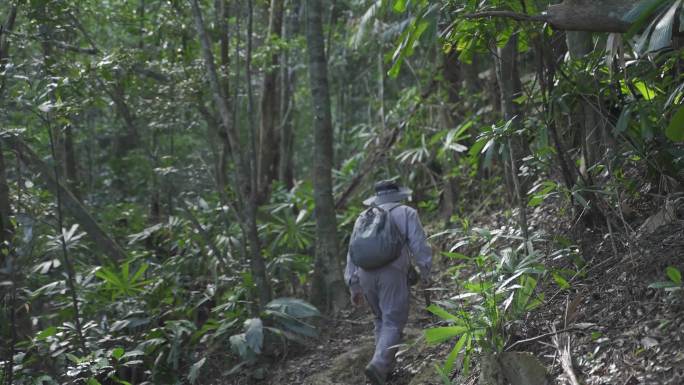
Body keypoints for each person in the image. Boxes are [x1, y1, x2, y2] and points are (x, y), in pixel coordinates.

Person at [344, 179, 432, 385]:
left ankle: (384, 370)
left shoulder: (362, 218)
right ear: (397, 194)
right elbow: (419, 245)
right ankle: (378, 364)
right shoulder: (406, 213)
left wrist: (353, 285)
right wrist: (425, 270)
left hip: (365, 274)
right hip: (392, 273)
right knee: (393, 320)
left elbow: (352, 253)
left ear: (377, 198)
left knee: (380, 320)